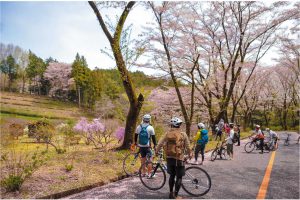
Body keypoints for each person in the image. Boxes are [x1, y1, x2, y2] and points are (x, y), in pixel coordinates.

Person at [155, 117, 191, 199]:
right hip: (179, 158)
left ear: (172, 125)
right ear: (179, 125)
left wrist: (156, 152)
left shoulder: (167, 134)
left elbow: (160, 143)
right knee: (179, 177)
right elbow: (188, 146)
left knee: (172, 176)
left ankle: (171, 193)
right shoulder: (183, 134)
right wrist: (190, 153)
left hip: (169, 157)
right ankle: (176, 195)